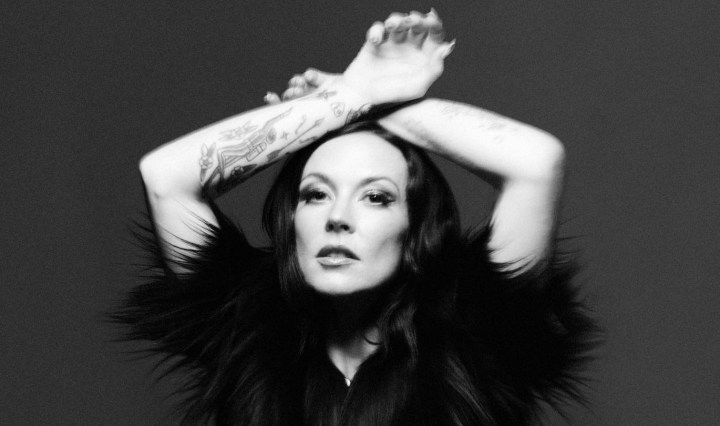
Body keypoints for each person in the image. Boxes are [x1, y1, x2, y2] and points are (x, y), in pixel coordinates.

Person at [115, 10, 597, 426]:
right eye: (316, 194)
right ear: (292, 218)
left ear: (414, 227)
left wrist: (370, 98)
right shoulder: (245, 332)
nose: (338, 218)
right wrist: (347, 97)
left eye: (376, 198)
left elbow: (536, 164)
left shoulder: (473, 336)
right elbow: (166, 176)